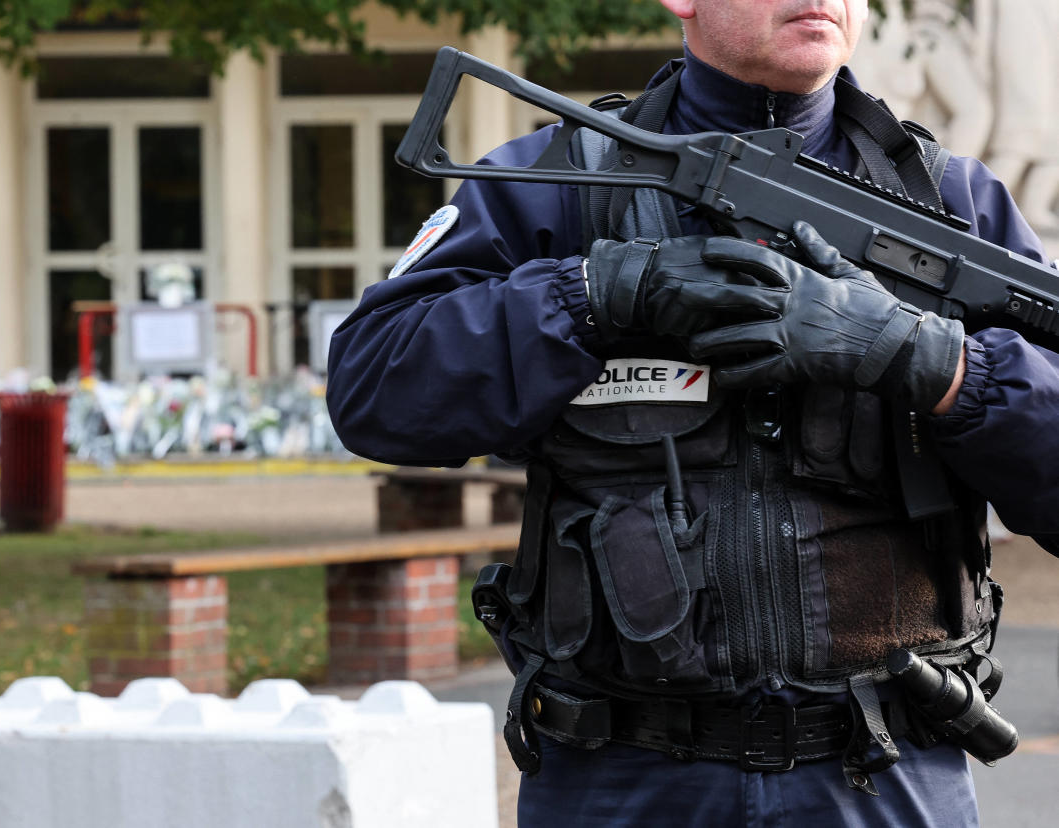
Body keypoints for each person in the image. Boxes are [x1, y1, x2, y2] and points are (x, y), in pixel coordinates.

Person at [325, 1, 1059, 825]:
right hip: (621, 774)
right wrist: (597, 294)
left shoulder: (952, 202)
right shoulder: (562, 183)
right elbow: (374, 389)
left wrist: (930, 359)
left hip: (885, 774)